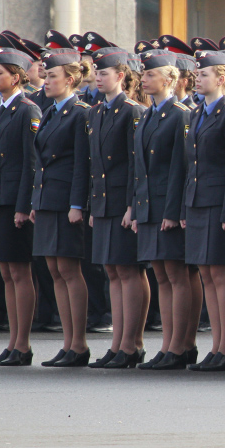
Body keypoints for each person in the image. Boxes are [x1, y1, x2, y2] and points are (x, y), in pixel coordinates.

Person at [132, 50, 200, 370]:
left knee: (177, 275)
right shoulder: (148, 114)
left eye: (150, 75)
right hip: (150, 205)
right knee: (161, 275)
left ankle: (180, 345)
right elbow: (141, 168)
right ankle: (168, 345)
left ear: (170, 79)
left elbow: (179, 168)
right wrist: (135, 206)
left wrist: (173, 211)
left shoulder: (179, 114)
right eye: (143, 75)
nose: (144, 79)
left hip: (167, 206)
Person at [85, 48, 149, 369]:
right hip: (104, 202)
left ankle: (131, 344)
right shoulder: (97, 112)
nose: (98, 77)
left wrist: (132, 206)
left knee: (128, 270)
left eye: (104, 73)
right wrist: (93, 205)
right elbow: (94, 165)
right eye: (96, 73)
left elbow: (136, 164)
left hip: (123, 203)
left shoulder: (132, 111)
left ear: (121, 76)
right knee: (112, 271)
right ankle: (117, 344)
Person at [182, 51, 225, 371]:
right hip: (198, 201)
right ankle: (218, 345)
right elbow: (191, 164)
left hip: (219, 202)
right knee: (207, 275)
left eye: (204, 74)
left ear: (222, 79)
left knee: (223, 275)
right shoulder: (197, 113)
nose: (197, 77)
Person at [32, 49, 92, 367]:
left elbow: (82, 163)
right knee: (55, 271)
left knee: (69, 270)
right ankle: (67, 342)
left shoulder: (80, 113)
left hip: (66, 201)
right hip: (48, 200)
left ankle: (79, 344)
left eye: (52, 76)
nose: (45, 81)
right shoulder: (52, 111)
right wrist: (35, 201)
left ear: (69, 80)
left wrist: (77, 204)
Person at [0, 48, 42, 367]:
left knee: (20, 272)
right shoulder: (2, 109)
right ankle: (12, 344)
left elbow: (30, 164)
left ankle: (23, 344)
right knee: (7, 272)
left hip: (16, 203)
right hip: (0, 200)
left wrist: (23, 206)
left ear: (16, 77)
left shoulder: (27, 110)